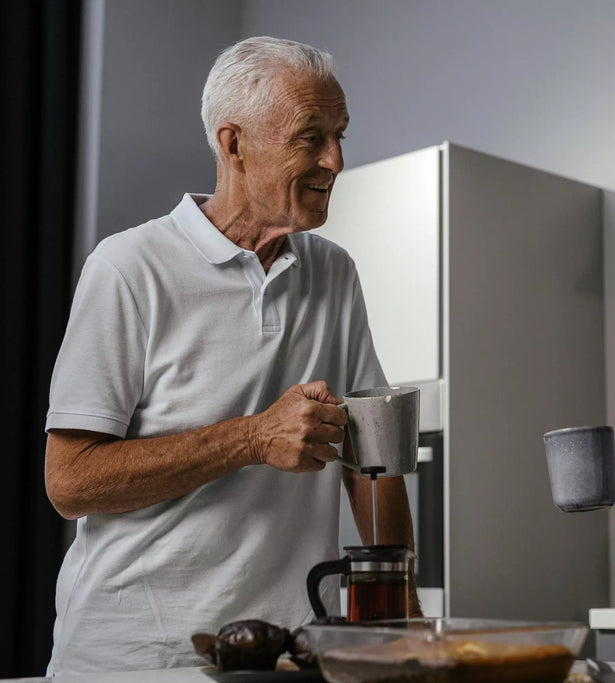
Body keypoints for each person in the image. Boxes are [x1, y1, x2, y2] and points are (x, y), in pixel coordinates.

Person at [43, 36, 420, 674]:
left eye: (340, 135)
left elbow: (372, 459)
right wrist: (253, 437)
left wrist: (404, 618)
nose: (335, 160)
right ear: (234, 144)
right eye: (311, 137)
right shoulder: (129, 267)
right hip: (137, 658)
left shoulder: (333, 273)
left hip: (293, 653)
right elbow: (71, 481)